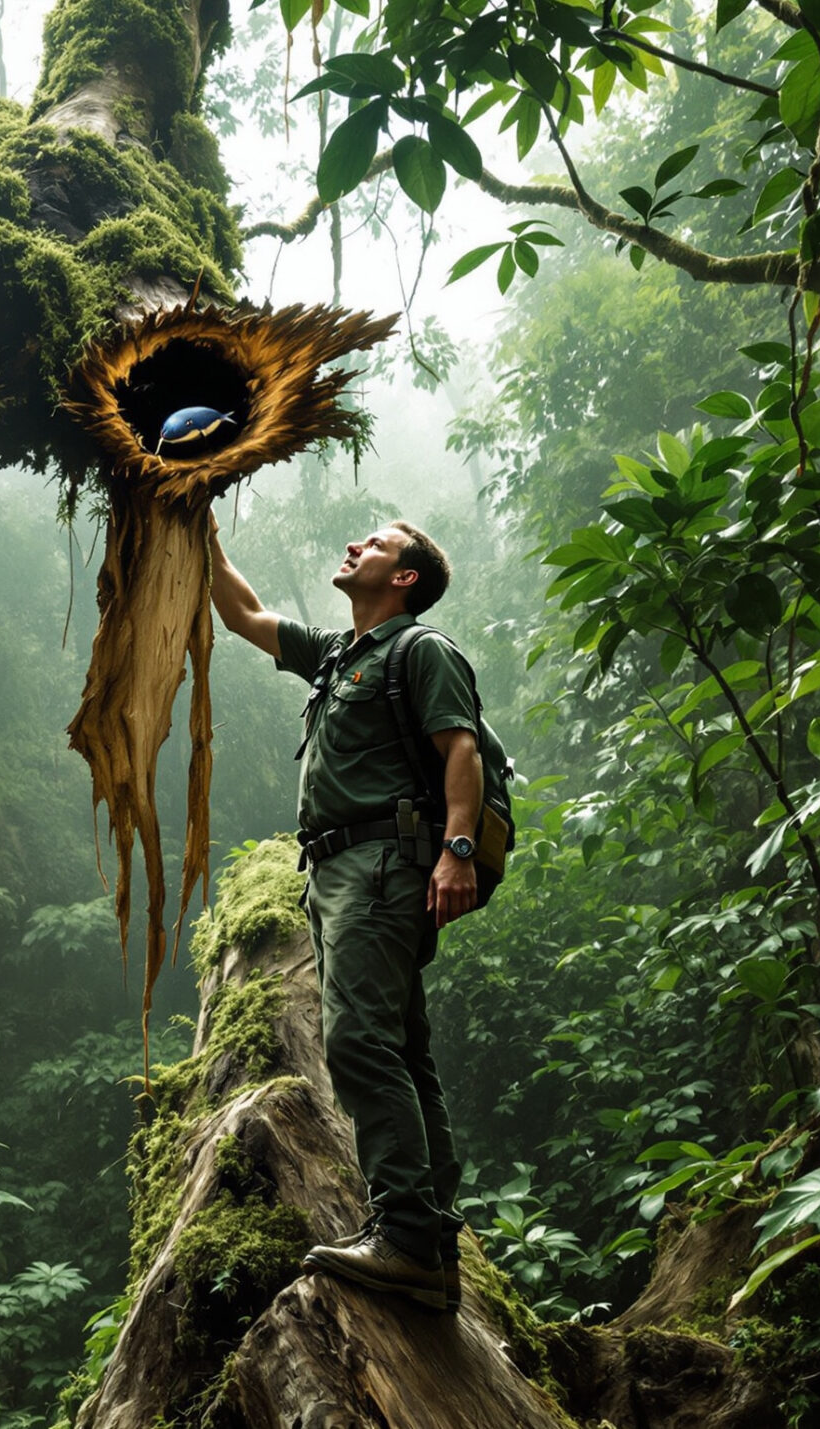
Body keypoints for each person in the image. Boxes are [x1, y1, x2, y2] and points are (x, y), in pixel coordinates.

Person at [209, 516, 480, 1314]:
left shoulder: (418, 650)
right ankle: (427, 1238)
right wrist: (202, 535)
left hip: (382, 864)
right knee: (403, 1048)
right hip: (334, 870)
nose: (356, 545)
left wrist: (456, 849)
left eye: (376, 543)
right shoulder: (338, 654)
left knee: (360, 1038)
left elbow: (458, 748)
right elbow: (244, 616)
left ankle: (402, 1235)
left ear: (404, 578)